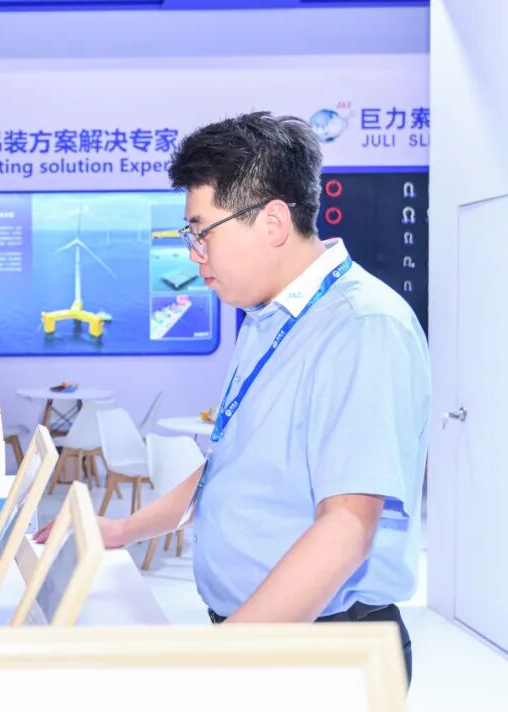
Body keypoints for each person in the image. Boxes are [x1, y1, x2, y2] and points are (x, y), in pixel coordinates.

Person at [37, 112, 429, 684]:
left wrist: (220, 662)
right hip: (261, 637)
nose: (194, 254)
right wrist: (124, 529)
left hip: (321, 651)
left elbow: (347, 527)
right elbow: (232, 462)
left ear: (272, 222)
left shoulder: (361, 326)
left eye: (202, 232)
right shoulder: (267, 318)